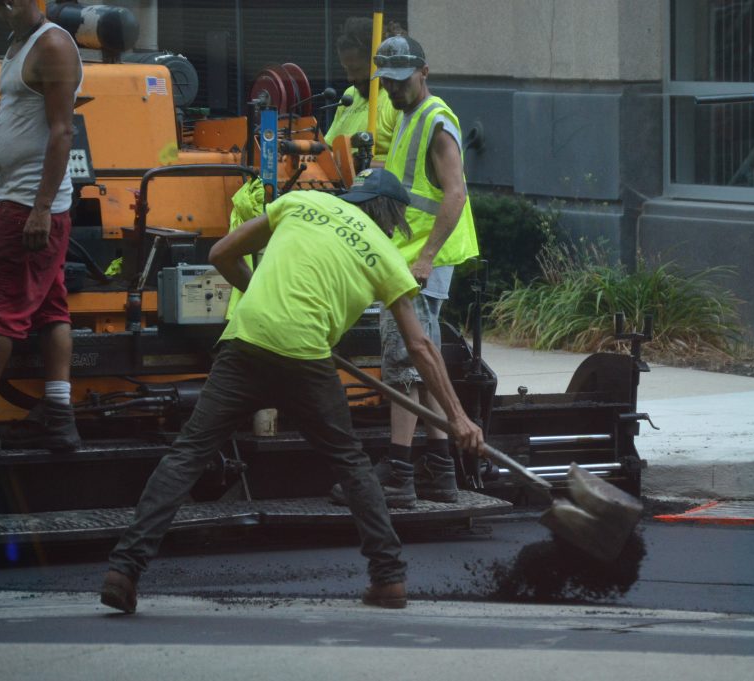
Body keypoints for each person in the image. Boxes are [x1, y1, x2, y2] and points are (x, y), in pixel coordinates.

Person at [99, 169, 485, 614]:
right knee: (351, 464)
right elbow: (420, 346)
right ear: (391, 216)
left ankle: (123, 571)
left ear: (356, 197)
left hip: (247, 341)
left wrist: (265, 297)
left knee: (188, 453)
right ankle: (390, 579)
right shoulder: (388, 257)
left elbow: (221, 252)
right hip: (306, 355)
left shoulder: (300, 202)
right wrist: (457, 416)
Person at [333, 35, 479, 508]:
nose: (393, 91)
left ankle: (399, 471)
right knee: (426, 363)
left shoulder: (437, 122)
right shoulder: (408, 114)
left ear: (424, 73)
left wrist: (426, 256)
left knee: (406, 364)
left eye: (401, 81)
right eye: (388, 83)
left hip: (419, 260)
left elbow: (454, 193)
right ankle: (439, 471)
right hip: (410, 255)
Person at [0, 1, 83, 453]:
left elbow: (61, 131)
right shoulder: (18, 45)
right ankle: (58, 414)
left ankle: (59, 416)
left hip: (28, 204)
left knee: (4, 311)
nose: (6, 7)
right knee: (51, 308)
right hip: (15, 197)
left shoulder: (51, 44)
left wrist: (40, 208)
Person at [323, 17, 400, 166]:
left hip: (379, 186)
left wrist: (355, 164)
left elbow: (405, 168)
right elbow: (329, 149)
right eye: (346, 69)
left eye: (356, 69)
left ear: (379, 63)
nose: (350, 78)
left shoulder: (398, 99)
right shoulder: (350, 95)